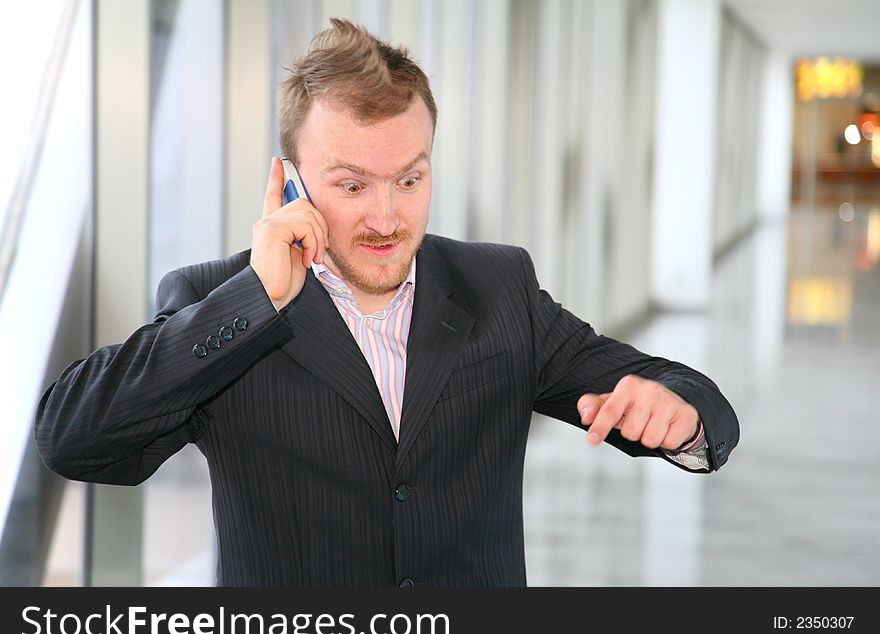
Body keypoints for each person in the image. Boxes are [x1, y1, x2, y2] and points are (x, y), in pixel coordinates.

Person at [35, 18, 739, 587]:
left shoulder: (498, 288)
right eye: (351, 186)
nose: (386, 218)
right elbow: (73, 437)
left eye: (409, 179)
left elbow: (686, 392)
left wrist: (677, 413)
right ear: (289, 184)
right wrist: (258, 297)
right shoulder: (218, 302)